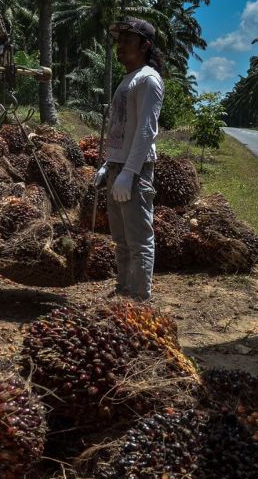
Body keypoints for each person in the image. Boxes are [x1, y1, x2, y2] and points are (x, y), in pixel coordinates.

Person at [99, 17, 165, 302]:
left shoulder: (149, 80)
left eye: (128, 40)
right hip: (119, 167)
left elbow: (145, 132)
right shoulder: (128, 78)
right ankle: (124, 288)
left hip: (135, 172)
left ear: (145, 45)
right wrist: (108, 163)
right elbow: (120, 128)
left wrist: (129, 172)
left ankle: (138, 297)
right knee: (121, 239)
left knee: (138, 239)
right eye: (119, 40)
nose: (120, 46)